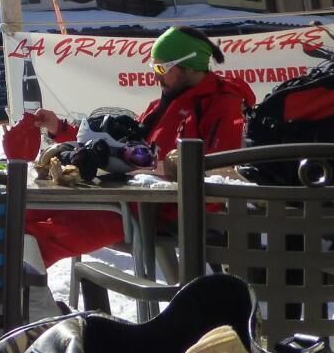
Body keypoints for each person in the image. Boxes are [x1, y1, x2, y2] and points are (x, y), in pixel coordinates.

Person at [25, 26, 255, 267]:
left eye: (161, 68)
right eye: (153, 67)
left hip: (165, 210)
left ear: (190, 66)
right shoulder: (162, 105)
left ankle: (21, 284)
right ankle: (17, 282)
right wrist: (59, 129)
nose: (155, 76)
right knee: (22, 213)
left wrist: (153, 167)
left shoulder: (222, 104)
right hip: (129, 199)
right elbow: (121, 145)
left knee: (43, 239)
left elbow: (218, 172)